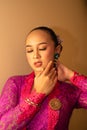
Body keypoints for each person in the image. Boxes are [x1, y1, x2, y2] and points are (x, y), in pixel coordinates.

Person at [0, 26, 87, 130]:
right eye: (30, 50)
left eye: (42, 48)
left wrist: (71, 75)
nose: (35, 55)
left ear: (57, 50)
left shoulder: (69, 90)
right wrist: (38, 94)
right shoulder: (15, 83)